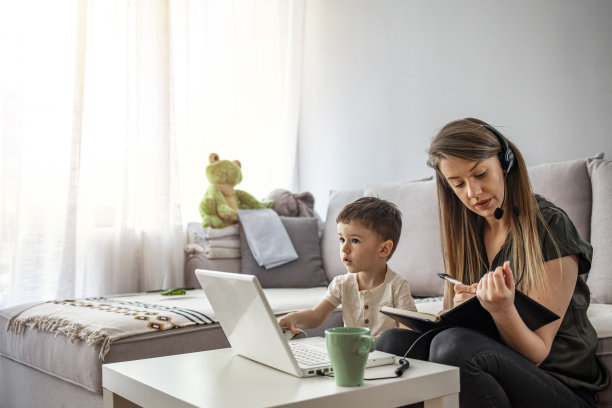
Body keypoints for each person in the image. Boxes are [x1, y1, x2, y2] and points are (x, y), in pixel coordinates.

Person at [376, 118, 609, 407]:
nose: (473, 193)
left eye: (481, 174)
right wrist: (460, 310)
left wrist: (501, 309)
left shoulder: (549, 225)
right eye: (458, 184)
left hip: (559, 385)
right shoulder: (467, 233)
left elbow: (538, 352)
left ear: (505, 163)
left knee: (454, 346)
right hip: (496, 377)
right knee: (392, 343)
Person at [278, 196, 416, 337]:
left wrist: (374, 341)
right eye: (342, 239)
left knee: (392, 338)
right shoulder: (341, 284)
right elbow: (316, 316)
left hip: (385, 354)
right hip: (352, 354)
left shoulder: (398, 286)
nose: (344, 248)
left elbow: (408, 329)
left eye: (355, 240)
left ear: (383, 249)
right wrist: (294, 318)